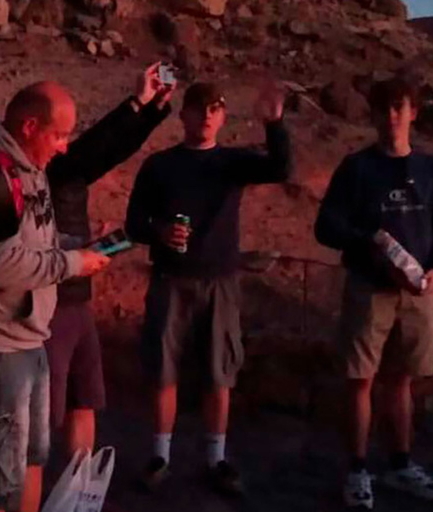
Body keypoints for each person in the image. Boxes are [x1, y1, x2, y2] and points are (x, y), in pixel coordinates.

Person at [0, 81, 110, 512]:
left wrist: (80, 246)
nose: (65, 148)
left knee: (31, 463)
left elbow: (36, 240)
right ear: (30, 126)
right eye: (59, 135)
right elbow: (0, 265)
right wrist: (72, 265)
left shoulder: (29, 167)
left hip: (26, 341)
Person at [125, 80, 291, 495]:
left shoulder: (233, 162)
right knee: (163, 368)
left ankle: (216, 458)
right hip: (170, 278)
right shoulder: (160, 166)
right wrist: (159, 230)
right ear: (184, 115)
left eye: (214, 109)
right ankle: (160, 452)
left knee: (220, 370)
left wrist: (274, 124)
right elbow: (133, 224)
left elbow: (281, 168)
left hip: (220, 280)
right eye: (198, 109)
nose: (206, 117)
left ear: (223, 116)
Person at [315, 76, 433, 510]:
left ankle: (401, 464)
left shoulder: (431, 170)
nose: (392, 117)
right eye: (383, 108)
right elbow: (326, 227)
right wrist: (371, 245)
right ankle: (356, 471)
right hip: (369, 292)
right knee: (360, 382)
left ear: (413, 112)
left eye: (399, 107)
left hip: (419, 294)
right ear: (373, 115)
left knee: (402, 383)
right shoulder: (356, 168)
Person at [45, 63, 174, 458]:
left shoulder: (66, 173)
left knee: (84, 400)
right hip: (47, 308)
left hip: (78, 302)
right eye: (60, 136)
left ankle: (77, 488)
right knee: (47, 413)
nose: (66, 144)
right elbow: (95, 150)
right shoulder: (46, 172)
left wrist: (150, 111)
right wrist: (138, 105)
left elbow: (105, 152)